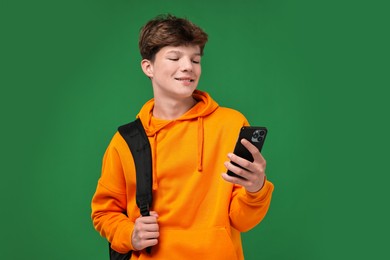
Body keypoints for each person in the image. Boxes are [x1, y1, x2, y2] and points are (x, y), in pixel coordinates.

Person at [91, 14, 274, 259]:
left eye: (195, 59)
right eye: (175, 57)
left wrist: (256, 188)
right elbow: (104, 213)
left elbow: (242, 220)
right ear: (148, 67)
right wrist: (130, 234)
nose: (188, 66)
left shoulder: (231, 125)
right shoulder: (128, 140)